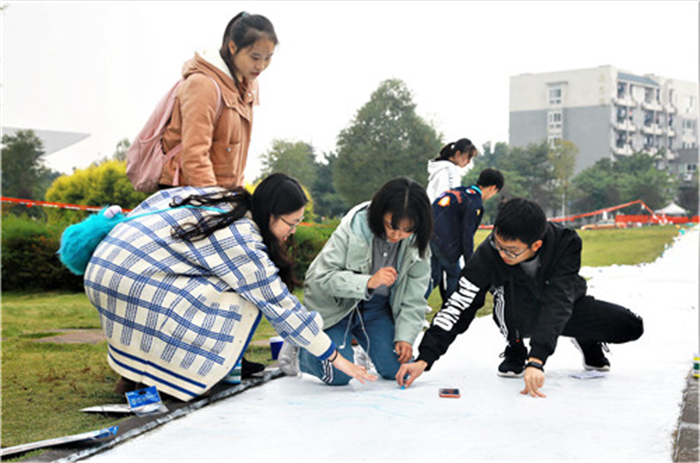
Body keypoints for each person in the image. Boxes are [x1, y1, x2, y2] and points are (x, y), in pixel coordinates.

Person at [84, 173, 376, 401]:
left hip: (109, 265)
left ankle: (134, 378)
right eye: (292, 222)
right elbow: (278, 304)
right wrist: (334, 357)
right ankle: (174, 379)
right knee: (239, 300)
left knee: (212, 288)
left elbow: (157, 203)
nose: (293, 230)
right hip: (133, 278)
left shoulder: (227, 200)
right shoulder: (242, 236)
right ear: (272, 215)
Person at [397, 198, 644, 398]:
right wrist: (425, 358)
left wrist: (537, 359)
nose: (503, 254)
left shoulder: (566, 242)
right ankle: (515, 347)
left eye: (512, 251)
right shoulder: (489, 254)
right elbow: (459, 304)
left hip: (565, 304)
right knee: (507, 298)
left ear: (536, 245)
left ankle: (587, 338)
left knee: (630, 326)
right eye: (499, 245)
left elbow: (559, 300)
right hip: (518, 309)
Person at [278, 177, 433, 385]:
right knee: (339, 376)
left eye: (408, 230)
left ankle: (366, 348)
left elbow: (414, 298)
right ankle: (302, 345)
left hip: (376, 309)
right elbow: (322, 278)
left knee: (399, 370)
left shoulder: (418, 244)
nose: (397, 235)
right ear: (380, 213)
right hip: (336, 307)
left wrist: (405, 337)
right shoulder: (353, 227)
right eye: (391, 226)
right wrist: (368, 282)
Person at [159, 12, 277, 189]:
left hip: (220, 193)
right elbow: (195, 155)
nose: (261, 66)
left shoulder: (248, 87)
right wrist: (214, 199)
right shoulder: (203, 85)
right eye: (254, 57)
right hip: (188, 191)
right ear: (232, 47)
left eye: (268, 58)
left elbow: (237, 154)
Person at [427, 168, 504, 303]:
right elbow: (467, 236)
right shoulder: (474, 203)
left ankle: (413, 306)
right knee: (455, 275)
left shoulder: (459, 191)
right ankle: (450, 309)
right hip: (442, 241)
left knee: (435, 276)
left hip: (429, 234)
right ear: (493, 188)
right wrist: (470, 261)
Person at [426, 138, 478, 203]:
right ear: (458, 154)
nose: (469, 162)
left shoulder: (441, 168)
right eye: (468, 158)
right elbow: (448, 199)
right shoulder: (449, 171)